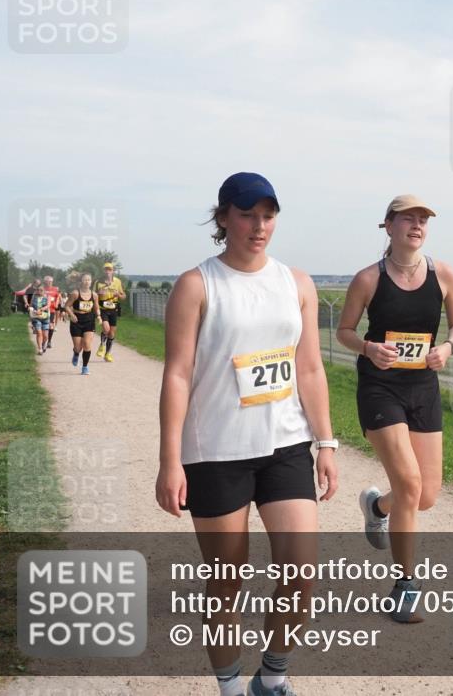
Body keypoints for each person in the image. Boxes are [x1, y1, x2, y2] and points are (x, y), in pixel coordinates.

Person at [155, 172, 338, 696]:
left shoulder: (296, 283)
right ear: (223, 219)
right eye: (247, 214)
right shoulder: (198, 284)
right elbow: (177, 373)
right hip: (216, 452)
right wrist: (170, 461)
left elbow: (308, 370)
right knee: (226, 583)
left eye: (268, 215)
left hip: (284, 445)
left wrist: (325, 443)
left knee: (301, 575)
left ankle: (273, 677)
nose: (259, 226)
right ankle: (230, 687)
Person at [336, 194, 453, 623]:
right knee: (409, 483)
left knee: (424, 496)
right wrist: (370, 348)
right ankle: (405, 587)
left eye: (423, 219)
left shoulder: (443, 273)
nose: (417, 225)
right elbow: (344, 331)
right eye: (408, 218)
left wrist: (446, 347)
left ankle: (377, 508)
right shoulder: (368, 279)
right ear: (387, 226)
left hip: (423, 387)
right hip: (380, 388)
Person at [65, 273, 101, 375]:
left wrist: (98, 316)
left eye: (89, 280)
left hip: (89, 319)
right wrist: (71, 315)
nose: (87, 282)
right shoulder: (75, 293)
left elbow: (96, 307)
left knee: (87, 344)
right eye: (85, 280)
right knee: (78, 347)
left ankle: (85, 367)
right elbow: (66, 306)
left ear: (91, 282)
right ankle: (76, 353)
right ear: (81, 281)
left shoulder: (94, 295)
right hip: (76, 320)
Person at [95, 262, 125, 362]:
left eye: (110, 269)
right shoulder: (98, 282)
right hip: (102, 308)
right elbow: (92, 296)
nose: (108, 271)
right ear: (103, 271)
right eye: (106, 269)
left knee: (112, 333)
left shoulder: (117, 282)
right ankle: (102, 345)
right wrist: (98, 293)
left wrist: (118, 295)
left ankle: (107, 354)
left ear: (113, 271)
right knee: (106, 329)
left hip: (113, 309)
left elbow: (124, 296)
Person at [28, 285, 51, 354]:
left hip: (45, 318)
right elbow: (31, 305)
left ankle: (43, 344)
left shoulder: (47, 297)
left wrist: (40, 310)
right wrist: (30, 309)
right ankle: (40, 349)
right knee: (39, 333)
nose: (39, 291)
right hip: (36, 318)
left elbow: (48, 305)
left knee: (46, 336)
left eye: (41, 290)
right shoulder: (34, 297)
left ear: (44, 291)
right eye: (38, 290)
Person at [42, 275, 62, 348]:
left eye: (50, 281)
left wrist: (56, 304)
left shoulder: (55, 289)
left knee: (51, 326)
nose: (49, 283)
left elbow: (58, 297)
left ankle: (49, 341)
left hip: (52, 310)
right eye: (47, 281)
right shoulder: (42, 289)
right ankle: (43, 341)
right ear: (45, 282)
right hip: (43, 310)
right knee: (43, 326)